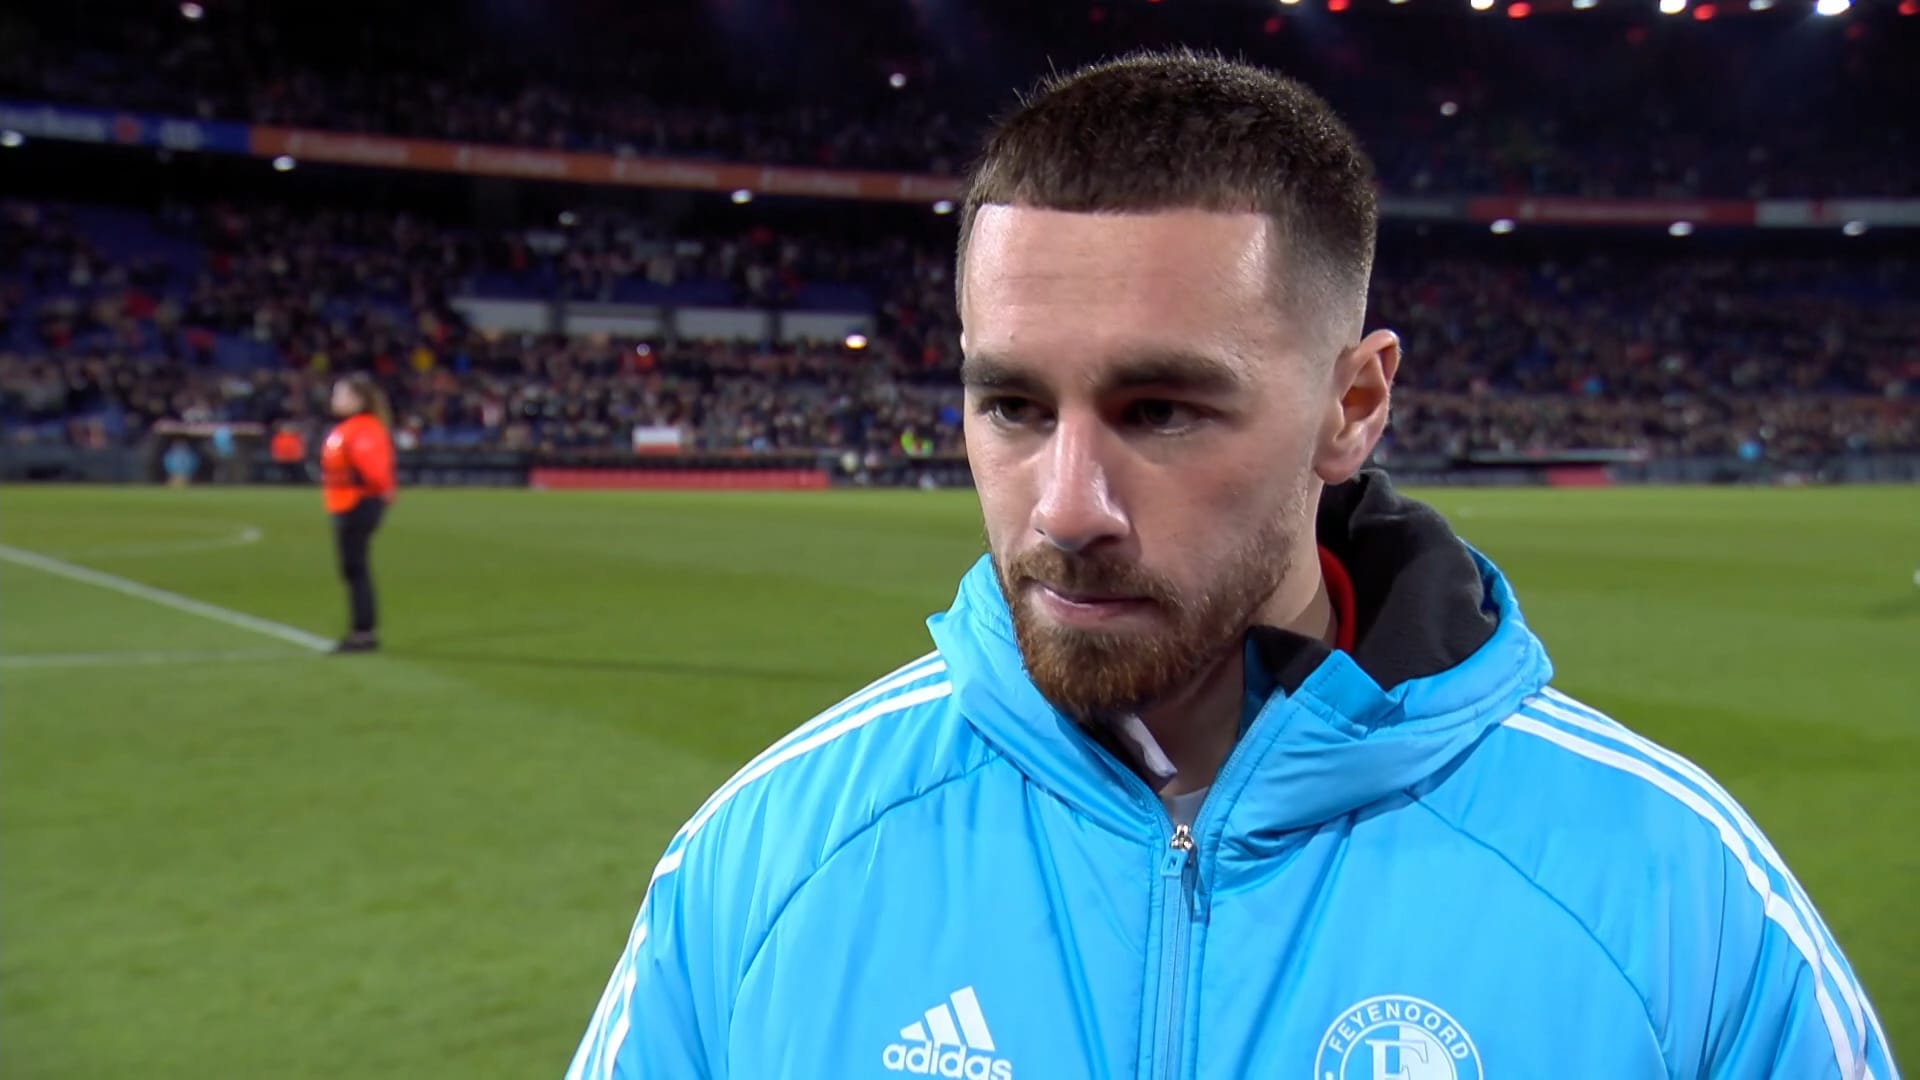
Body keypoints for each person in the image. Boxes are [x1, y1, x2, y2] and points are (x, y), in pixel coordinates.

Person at [565, 51, 1896, 1080]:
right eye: (1012, 406)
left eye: (1160, 411)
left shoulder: (1673, 893)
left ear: (1353, 406)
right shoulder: (764, 864)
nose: (1067, 509)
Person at [320, 373, 396, 654]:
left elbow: (374, 472)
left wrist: (371, 492)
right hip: (348, 502)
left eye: (340, 394)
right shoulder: (353, 428)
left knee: (355, 567)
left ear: (357, 399)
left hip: (357, 502)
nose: (334, 399)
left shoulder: (362, 429)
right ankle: (363, 630)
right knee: (353, 567)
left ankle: (363, 632)